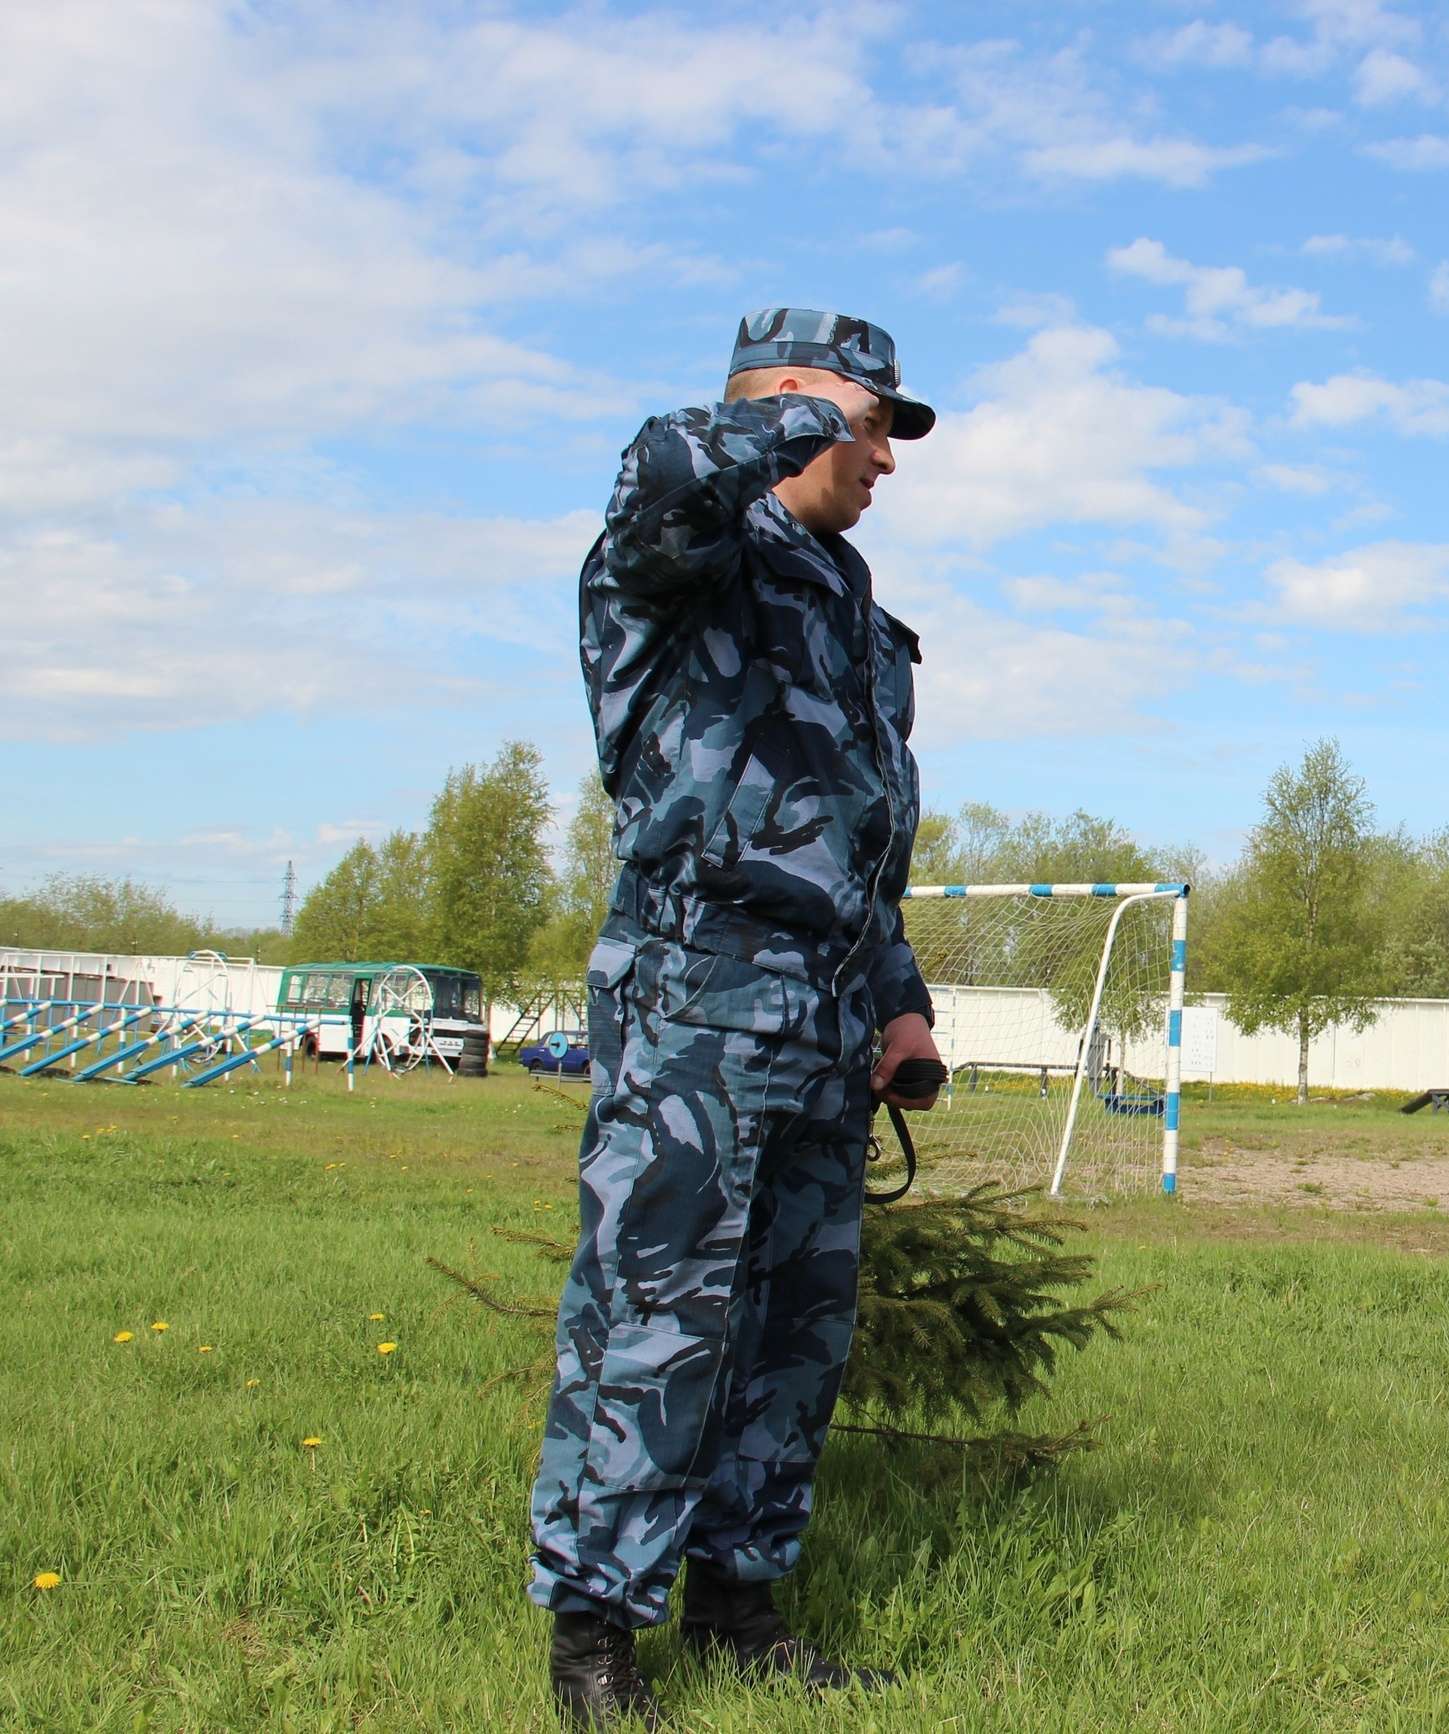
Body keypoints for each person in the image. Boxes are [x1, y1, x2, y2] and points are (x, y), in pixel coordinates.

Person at [530, 308, 945, 1729]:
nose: (887, 456)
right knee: (658, 1322)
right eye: (872, 422)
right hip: (697, 1006)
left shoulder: (852, 607)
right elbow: (663, 473)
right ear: (786, 406)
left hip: (826, 1020)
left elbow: (860, 842)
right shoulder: (685, 558)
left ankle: (742, 1610)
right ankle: (595, 1647)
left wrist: (899, 1004)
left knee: (790, 1335)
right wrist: (799, 410)